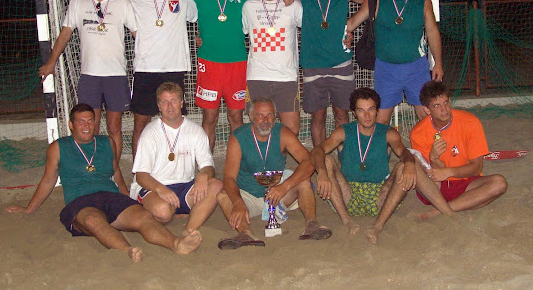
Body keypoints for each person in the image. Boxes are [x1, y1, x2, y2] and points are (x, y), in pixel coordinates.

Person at [5, 103, 202, 262]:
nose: (86, 126)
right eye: (81, 121)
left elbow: (116, 173)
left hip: (111, 196)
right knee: (93, 220)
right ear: (71, 125)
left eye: (90, 121)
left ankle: (176, 244)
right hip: (81, 201)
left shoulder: (106, 142)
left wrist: (127, 198)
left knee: (144, 217)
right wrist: (28, 209)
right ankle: (127, 250)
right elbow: (48, 181)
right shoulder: (58, 147)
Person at [232, 0, 368, 147]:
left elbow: (374, 0)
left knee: (339, 115)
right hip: (303, 67)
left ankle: (342, 157)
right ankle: (316, 157)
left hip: (334, 64)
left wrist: (351, 25)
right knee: (315, 117)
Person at [310, 87, 455, 244]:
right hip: (347, 195)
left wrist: (409, 164)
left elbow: (404, 152)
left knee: (406, 165)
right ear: (354, 113)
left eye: (371, 109)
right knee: (326, 161)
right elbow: (318, 150)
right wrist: (322, 173)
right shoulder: (344, 132)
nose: (367, 115)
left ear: (377, 111)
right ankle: (347, 221)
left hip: (380, 197)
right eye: (361, 110)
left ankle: (378, 226)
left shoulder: (388, 133)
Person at [39, 0, 137, 162]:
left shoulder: (122, 2)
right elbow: (65, 34)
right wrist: (51, 62)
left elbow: (139, 34)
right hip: (90, 75)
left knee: (114, 127)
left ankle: (112, 169)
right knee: (90, 126)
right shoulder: (78, 1)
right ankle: (93, 167)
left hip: (116, 74)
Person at [216, 98, 332, 250]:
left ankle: (312, 224)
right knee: (223, 196)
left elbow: (308, 161)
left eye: (269, 115)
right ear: (251, 117)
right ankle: (246, 233)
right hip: (248, 197)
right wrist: (238, 202)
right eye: (260, 115)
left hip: (278, 194)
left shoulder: (282, 132)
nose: (265, 120)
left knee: (303, 181)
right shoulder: (238, 137)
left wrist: (285, 187)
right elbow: (229, 177)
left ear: (275, 116)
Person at [347, 0, 444, 125]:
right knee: (380, 121)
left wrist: (438, 63)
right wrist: (332, 30)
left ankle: (430, 144)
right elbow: (352, 23)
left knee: (427, 117)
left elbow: (432, 32)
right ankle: (380, 145)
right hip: (386, 70)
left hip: (417, 68)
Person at [184, 0, 260, 152]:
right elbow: (170, 1)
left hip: (237, 63)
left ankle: (238, 162)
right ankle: (206, 163)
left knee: (236, 116)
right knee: (210, 117)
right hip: (209, 63)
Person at [128, 0, 198, 159]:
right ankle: (139, 170)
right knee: (141, 123)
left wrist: (200, 36)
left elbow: (197, 19)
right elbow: (111, 4)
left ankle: (177, 166)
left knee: (175, 122)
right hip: (145, 69)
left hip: (174, 68)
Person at [130, 82, 223, 233]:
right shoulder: (150, 133)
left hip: (184, 186)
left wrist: (204, 175)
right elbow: (141, 176)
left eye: (173, 100)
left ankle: (188, 230)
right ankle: (163, 211)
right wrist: (161, 190)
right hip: (154, 185)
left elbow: (208, 166)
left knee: (216, 185)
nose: (169, 106)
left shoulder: (195, 130)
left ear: (181, 103)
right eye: (164, 102)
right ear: (158, 106)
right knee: (163, 212)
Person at [410, 80, 508, 220]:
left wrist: (449, 172)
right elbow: (431, 175)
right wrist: (433, 158)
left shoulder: (470, 123)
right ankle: (460, 204)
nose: (444, 109)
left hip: (465, 181)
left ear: (450, 101)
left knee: (499, 183)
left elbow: (476, 168)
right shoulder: (418, 132)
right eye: (437, 106)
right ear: (427, 110)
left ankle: (439, 211)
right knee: (411, 162)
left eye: (446, 102)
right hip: (436, 186)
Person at [241, 0, 303, 135]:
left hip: (286, 77)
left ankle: (279, 155)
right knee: (258, 129)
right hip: (257, 76)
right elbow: (240, 31)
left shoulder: (293, 5)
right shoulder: (249, 6)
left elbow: (311, 29)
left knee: (292, 130)